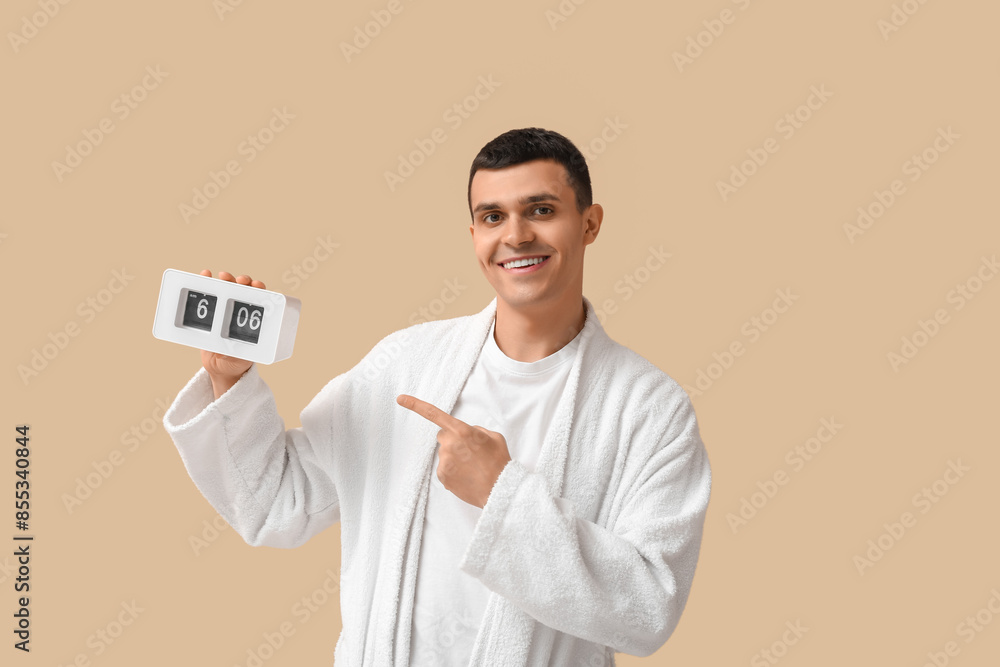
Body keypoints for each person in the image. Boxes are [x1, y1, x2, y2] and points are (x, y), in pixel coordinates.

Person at [163, 127, 712, 666]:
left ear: (589, 224)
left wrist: (503, 496)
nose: (516, 236)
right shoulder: (403, 366)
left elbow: (647, 608)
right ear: (473, 234)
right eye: (492, 217)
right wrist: (230, 380)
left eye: (541, 210)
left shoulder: (648, 408)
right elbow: (277, 503)